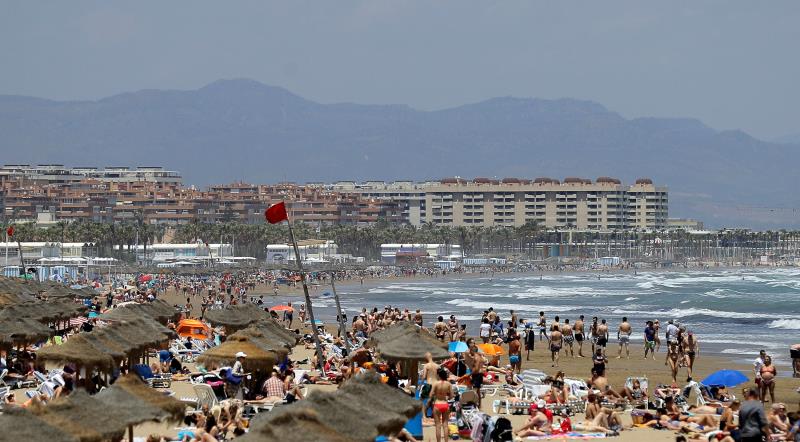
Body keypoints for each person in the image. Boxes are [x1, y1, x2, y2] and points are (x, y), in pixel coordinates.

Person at [430, 367, 453, 442]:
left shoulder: (435, 384)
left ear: (439, 376)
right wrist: (447, 397)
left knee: (438, 426)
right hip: (445, 404)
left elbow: (430, 395)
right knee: (445, 425)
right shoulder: (448, 384)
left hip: (437, 404)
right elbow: (451, 396)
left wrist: (435, 395)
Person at [468, 343, 485, 409]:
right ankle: (479, 406)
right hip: (479, 374)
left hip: (477, 375)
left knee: (474, 391)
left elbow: (476, 368)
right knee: (478, 391)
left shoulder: (476, 357)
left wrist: (470, 374)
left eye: (470, 351)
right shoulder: (479, 356)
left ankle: (474, 405)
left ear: (472, 351)